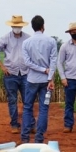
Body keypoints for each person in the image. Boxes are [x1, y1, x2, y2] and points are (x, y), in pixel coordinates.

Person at [0, 15, 34, 134]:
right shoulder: (5, 38)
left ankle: (30, 124)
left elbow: (33, 53)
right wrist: (2, 67)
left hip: (25, 73)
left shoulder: (28, 38)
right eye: (15, 26)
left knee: (27, 100)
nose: (17, 28)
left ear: (22, 26)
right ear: (11, 26)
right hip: (11, 74)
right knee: (12, 100)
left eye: (19, 26)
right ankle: (14, 124)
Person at [21, 15, 58, 144]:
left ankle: (25, 137)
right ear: (43, 26)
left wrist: (42, 70)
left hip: (31, 80)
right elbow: (53, 61)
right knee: (43, 108)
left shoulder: (26, 43)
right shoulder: (51, 41)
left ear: (32, 27)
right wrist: (50, 77)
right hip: (46, 81)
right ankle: (39, 138)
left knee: (27, 108)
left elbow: (27, 63)